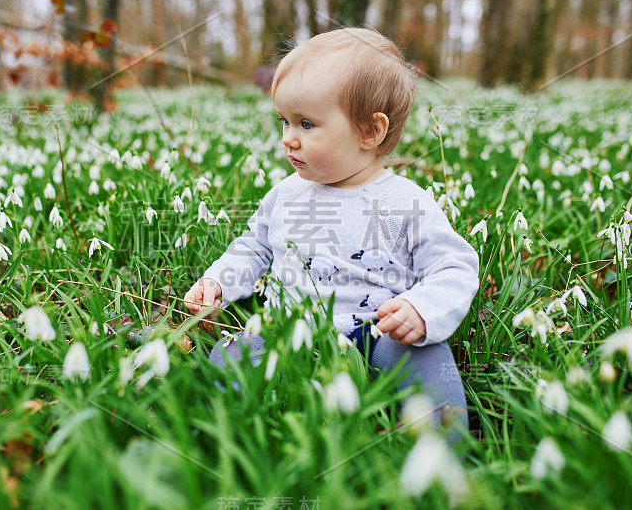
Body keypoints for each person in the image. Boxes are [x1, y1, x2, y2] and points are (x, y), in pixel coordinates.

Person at [183, 27, 479, 443]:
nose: (288, 137)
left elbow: (455, 264)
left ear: (370, 132)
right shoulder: (285, 195)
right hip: (285, 329)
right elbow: (254, 247)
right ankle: (222, 439)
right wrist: (218, 280)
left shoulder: (405, 202)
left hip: (379, 333)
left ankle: (442, 451)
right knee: (231, 353)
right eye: (284, 121)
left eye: (306, 123)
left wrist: (422, 308)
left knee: (428, 358)